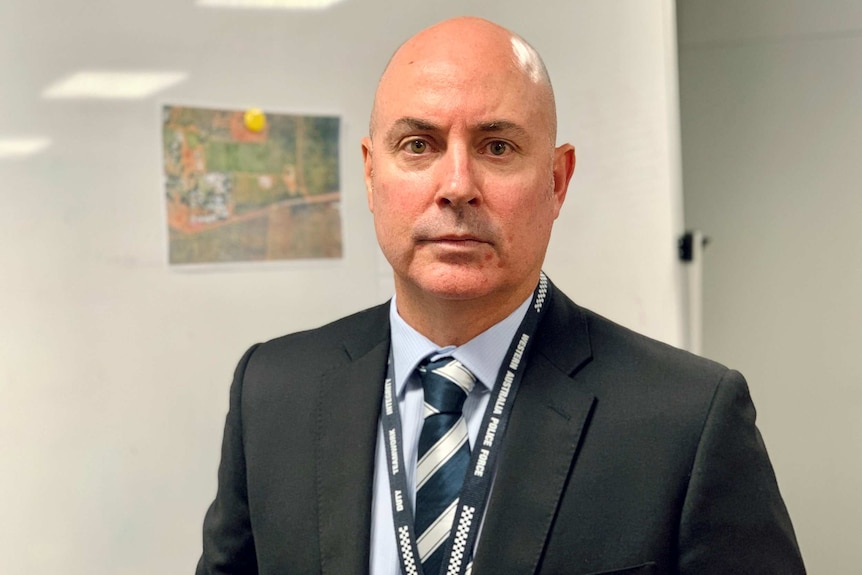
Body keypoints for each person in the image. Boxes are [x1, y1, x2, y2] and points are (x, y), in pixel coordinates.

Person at [196, 17, 805, 575]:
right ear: (371, 173)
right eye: (418, 145)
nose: (457, 186)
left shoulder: (688, 420)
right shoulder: (272, 389)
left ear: (557, 181)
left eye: (497, 147)